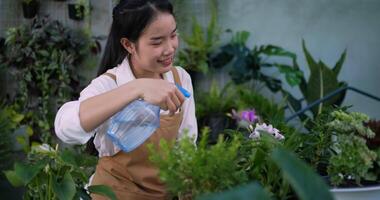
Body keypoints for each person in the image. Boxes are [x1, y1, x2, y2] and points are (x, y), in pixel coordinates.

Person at [54, 0, 197, 199]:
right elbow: (65, 127)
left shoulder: (180, 79)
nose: (170, 48)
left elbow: (187, 144)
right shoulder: (109, 84)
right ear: (129, 44)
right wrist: (137, 88)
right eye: (157, 42)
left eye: (173, 35)